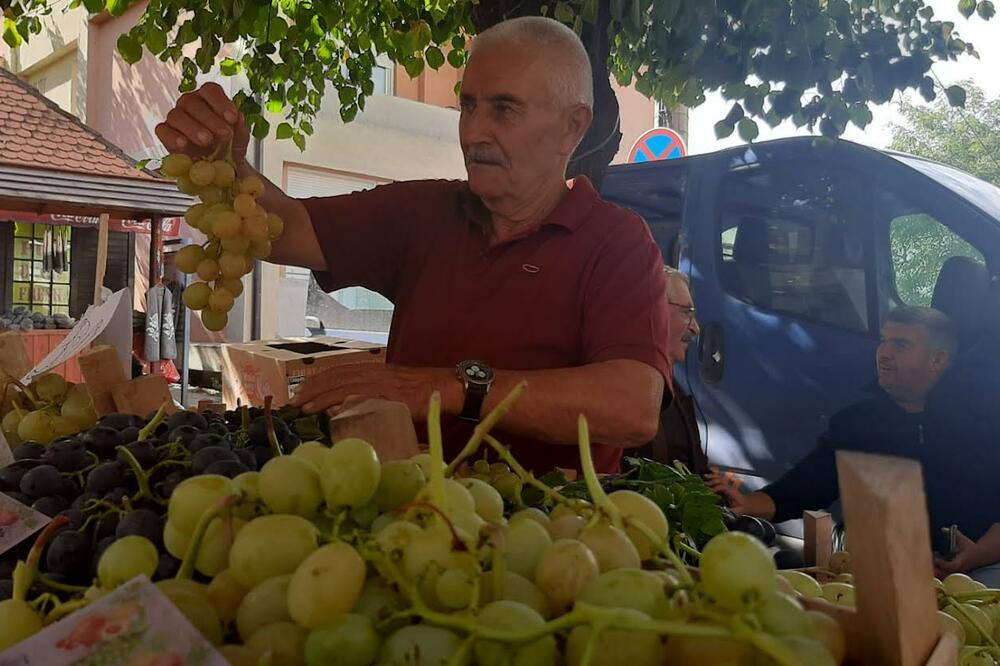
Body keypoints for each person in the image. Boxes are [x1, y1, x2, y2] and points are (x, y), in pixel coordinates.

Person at [155, 17, 671, 474]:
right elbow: (284, 228)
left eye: (504, 110)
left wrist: (449, 389)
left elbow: (632, 407)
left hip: (553, 550)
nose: (474, 133)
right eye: (468, 106)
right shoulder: (424, 213)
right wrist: (228, 165)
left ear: (572, 126)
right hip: (410, 523)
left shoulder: (617, 243)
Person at [710, 306, 1000, 586]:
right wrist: (749, 503)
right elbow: (807, 484)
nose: (884, 354)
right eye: (883, 341)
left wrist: (974, 556)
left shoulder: (983, 426)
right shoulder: (857, 424)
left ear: (937, 360)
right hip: (883, 569)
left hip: (978, 569)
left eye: (900, 344)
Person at [635, 268, 708, 475]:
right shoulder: (622, 391)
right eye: (686, 312)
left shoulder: (676, 392)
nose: (696, 328)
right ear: (652, 309)